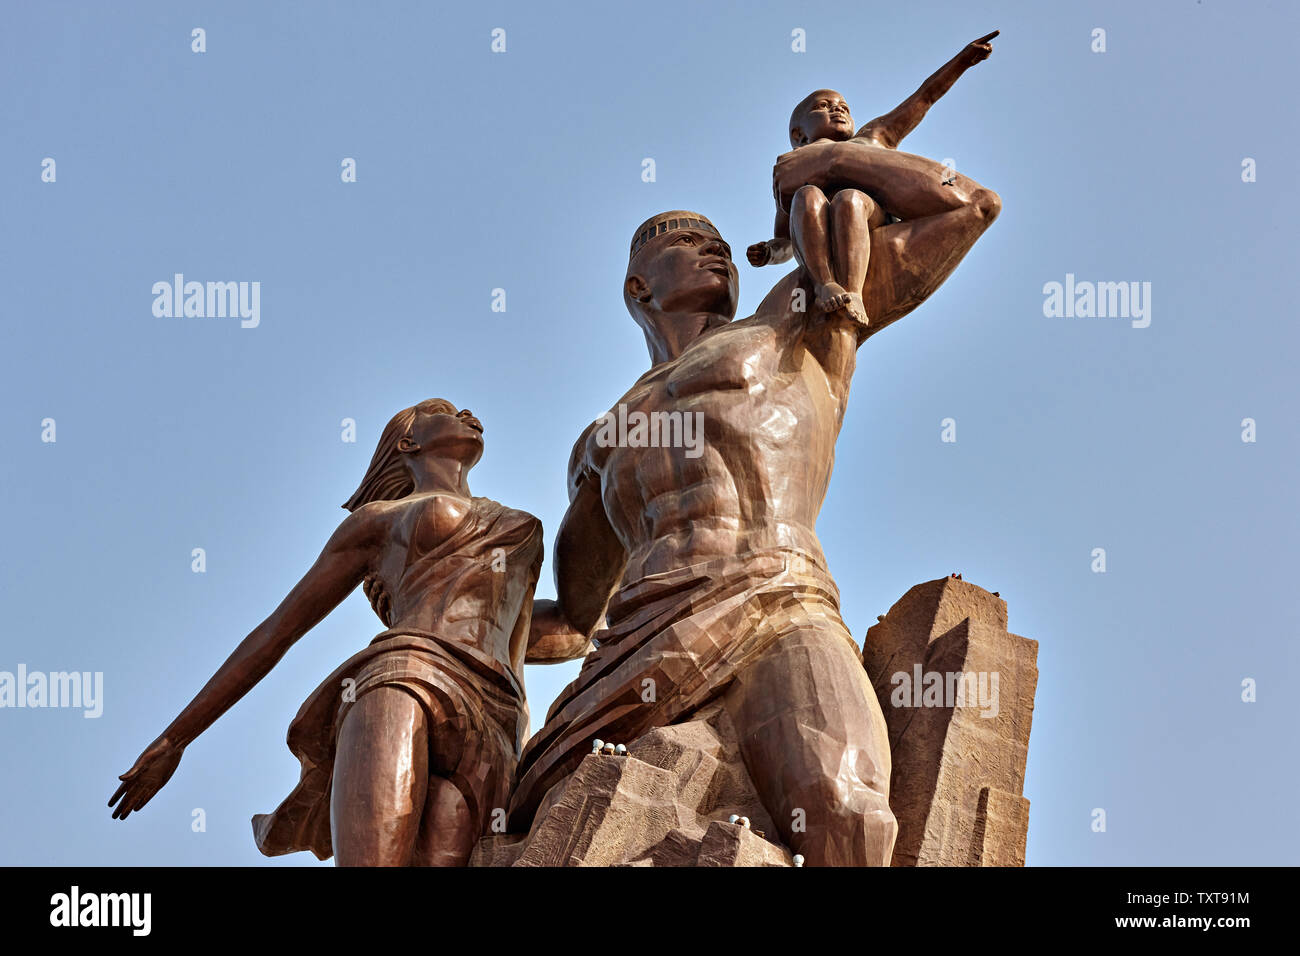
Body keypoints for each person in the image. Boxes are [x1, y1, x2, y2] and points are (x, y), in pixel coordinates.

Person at [514, 193, 999, 865]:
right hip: (640, 641)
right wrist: (443, 634)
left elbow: (968, 208)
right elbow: (572, 617)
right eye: (684, 240)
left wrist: (825, 168)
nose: (713, 248)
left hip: (782, 599)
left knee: (849, 816)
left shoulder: (790, 327)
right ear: (639, 285)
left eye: (718, 242)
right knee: (527, 819)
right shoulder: (602, 440)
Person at [110, 399, 559, 866]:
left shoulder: (518, 527)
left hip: (494, 719)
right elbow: (277, 631)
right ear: (409, 443)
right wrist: (175, 739)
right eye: (443, 410)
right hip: (406, 675)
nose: (465, 411)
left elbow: (557, 628)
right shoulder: (379, 520)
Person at [748, 30, 1000, 328]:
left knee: (849, 199)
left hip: (869, 218)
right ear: (798, 134)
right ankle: (824, 283)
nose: (837, 109)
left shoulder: (871, 137)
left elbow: (923, 97)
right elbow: (787, 241)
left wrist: (961, 62)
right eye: (824, 107)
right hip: (819, 235)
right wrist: (768, 252)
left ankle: (854, 291)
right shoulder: (789, 171)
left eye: (843, 107)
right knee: (808, 196)